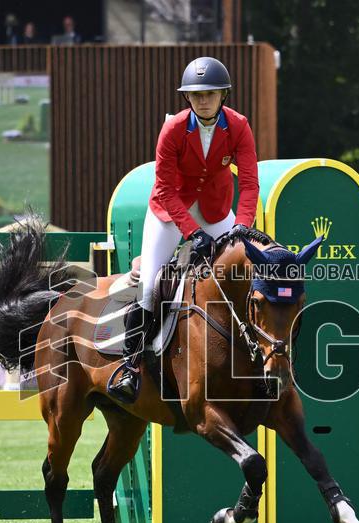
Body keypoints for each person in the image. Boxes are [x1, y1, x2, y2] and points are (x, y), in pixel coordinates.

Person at [106, 56, 260, 404]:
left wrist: (241, 228)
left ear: (223, 94)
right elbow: (164, 190)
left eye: (209, 94)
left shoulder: (238, 126)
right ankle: (130, 367)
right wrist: (192, 232)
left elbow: (249, 184)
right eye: (195, 94)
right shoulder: (173, 129)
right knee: (149, 283)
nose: (202, 100)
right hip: (170, 212)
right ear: (187, 98)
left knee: (242, 273)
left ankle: (258, 360)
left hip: (218, 210)